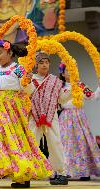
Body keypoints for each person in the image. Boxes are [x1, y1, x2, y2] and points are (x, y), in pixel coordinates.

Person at [0, 39, 52, 188]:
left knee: (14, 141)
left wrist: (28, 82)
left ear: (10, 53)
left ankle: (23, 176)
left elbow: (29, 90)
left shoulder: (18, 69)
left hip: (12, 112)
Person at [58, 63, 100, 180]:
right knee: (66, 144)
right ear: (62, 73)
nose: (70, 72)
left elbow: (93, 96)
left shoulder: (80, 86)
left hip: (79, 117)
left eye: (73, 69)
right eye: (68, 70)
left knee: (82, 144)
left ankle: (84, 171)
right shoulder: (59, 87)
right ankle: (65, 171)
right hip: (65, 118)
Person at [28, 52, 68, 185]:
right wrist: (26, 82)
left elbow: (61, 98)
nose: (44, 65)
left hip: (51, 116)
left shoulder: (55, 81)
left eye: (46, 62)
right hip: (34, 116)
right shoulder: (29, 79)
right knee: (30, 143)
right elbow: (25, 93)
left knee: (55, 143)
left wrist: (74, 90)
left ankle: (61, 174)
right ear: (36, 65)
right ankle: (26, 173)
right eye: (41, 62)